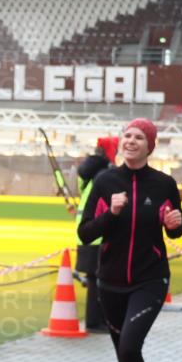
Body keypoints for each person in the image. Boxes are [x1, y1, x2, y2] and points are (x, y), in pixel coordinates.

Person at [77, 119, 182, 362]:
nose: (132, 141)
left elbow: (176, 228)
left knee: (128, 348)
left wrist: (175, 225)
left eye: (139, 137)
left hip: (150, 279)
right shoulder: (105, 181)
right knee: (124, 358)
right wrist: (112, 212)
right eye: (127, 136)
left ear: (149, 146)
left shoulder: (164, 183)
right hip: (110, 282)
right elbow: (85, 233)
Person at [75, 139, 114, 333]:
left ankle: (97, 321)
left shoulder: (88, 174)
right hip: (98, 234)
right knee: (98, 281)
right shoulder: (104, 175)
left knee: (94, 280)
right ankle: (96, 322)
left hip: (86, 232)